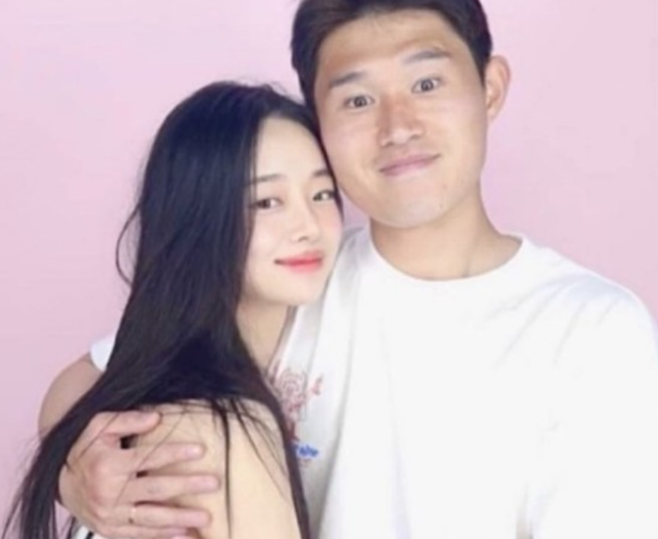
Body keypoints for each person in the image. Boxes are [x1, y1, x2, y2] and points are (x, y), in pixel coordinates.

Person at [37, 1, 658, 538]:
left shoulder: (593, 330)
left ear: (490, 88)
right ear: (319, 122)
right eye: (358, 99)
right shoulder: (293, 273)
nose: (398, 127)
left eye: (426, 83)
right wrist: (75, 474)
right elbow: (102, 376)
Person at [2, 81, 342, 539]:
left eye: (322, 194)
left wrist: (63, 472)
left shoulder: (345, 289)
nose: (308, 227)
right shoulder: (208, 426)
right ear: (199, 216)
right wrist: (72, 476)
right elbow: (81, 378)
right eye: (266, 202)